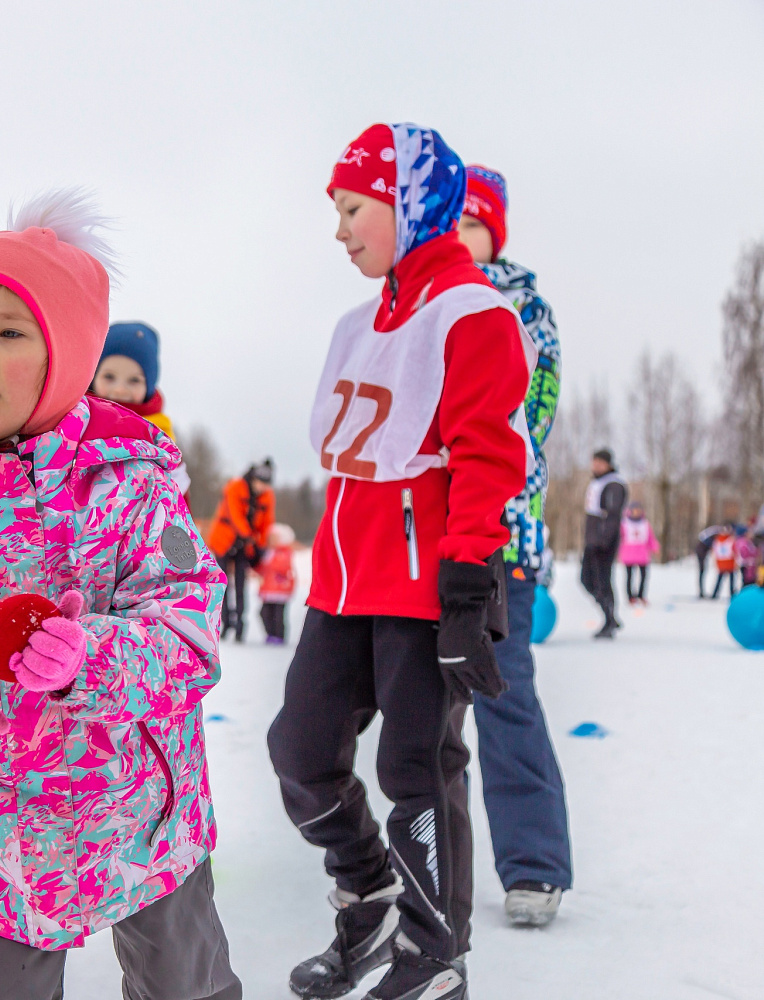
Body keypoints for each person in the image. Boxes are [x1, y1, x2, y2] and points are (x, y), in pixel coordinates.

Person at [0, 191, 242, 1000]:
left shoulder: (130, 483)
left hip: (141, 813)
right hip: (2, 823)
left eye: (7, 333)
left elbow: (190, 635)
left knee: (182, 978)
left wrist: (90, 658)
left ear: (67, 356)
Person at [268, 123, 531, 1000]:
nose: (340, 229)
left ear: (410, 206)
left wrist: (466, 594)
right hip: (343, 583)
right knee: (301, 750)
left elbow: (488, 456)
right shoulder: (359, 322)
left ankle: (432, 956)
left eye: (353, 208)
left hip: (422, 586)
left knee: (415, 767)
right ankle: (370, 894)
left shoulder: (472, 312)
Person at [456, 164, 574, 927]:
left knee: (503, 698)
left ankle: (533, 863)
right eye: (447, 225)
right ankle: (416, 862)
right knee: (415, 711)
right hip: (422, 543)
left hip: (502, 539)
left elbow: (524, 422)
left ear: (493, 233)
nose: (458, 240)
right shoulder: (418, 305)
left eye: (471, 225)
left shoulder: (520, 305)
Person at [90, 321, 190, 494]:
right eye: (109, 376)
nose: (120, 389)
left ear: (149, 386)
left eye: (134, 380)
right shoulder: (73, 421)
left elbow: (177, 508)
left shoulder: (161, 439)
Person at [207, 462, 275, 642]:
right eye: (260, 483)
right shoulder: (236, 486)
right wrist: (248, 535)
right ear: (253, 479)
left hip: (245, 546)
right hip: (225, 540)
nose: (262, 488)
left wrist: (259, 544)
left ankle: (240, 624)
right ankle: (225, 621)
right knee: (222, 582)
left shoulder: (267, 496)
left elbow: (266, 523)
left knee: (240, 584)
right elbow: (234, 514)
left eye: (266, 484)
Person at [581, 449, 628, 637]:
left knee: (602, 580)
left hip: (603, 541)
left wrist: (603, 539)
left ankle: (609, 620)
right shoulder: (597, 482)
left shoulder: (614, 484)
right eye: (594, 462)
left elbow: (612, 515)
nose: (596, 466)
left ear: (608, 464)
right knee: (586, 579)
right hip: (592, 539)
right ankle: (610, 616)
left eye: (600, 462)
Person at [257, 522, 297, 644]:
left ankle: (279, 635)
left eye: (274, 538)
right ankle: (270, 633)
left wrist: (268, 562)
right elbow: (262, 568)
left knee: (278, 614)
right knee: (264, 612)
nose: (271, 541)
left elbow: (282, 566)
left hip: (280, 589)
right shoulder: (268, 552)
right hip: (268, 589)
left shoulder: (284, 553)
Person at [618, 504, 660, 606]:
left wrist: (655, 548)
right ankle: (630, 597)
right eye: (634, 510)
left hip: (642, 554)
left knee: (644, 576)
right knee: (629, 576)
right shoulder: (624, 523)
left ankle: (641, 595)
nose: (636, 512)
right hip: (628, 553)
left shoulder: (645, 524)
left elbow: (650, 537)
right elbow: (619, 537)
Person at [711, 524, 739, 599]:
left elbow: (715, 552)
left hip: (721, 563)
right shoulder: (731, 540)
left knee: (719, 580)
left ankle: (714, 594)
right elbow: (735, 551)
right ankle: (732, 595)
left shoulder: (717, 540)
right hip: (730, 563)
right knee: (731, 581)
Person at [696, 525, 723, 598]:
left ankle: (701, 591)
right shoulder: (714, 534)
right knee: (702, 571)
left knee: (702, 572)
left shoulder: (713, 532)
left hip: (702, 551)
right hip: (701, 552)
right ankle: (701, 592)